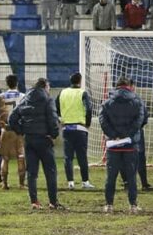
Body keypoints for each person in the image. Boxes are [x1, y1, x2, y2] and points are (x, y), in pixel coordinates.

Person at [8, 78, 64, 210]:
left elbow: (12, 118)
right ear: (45, 86)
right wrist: (54, 134)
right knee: (50, 171)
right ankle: (53, 202)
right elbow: (53, 119)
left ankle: (34, 202)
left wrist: (21, 131)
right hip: (44, 139)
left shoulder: (25, 99)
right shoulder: (47, 100)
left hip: (29, 139)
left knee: (32, 173)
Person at [98, 76, 145, 213]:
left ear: (116, 86)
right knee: (131, 176)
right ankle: (133, 205)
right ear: (129, 86)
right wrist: (128, 135)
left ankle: (109, 205)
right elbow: (140, 121)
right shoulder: (137, 102)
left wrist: (114, 135)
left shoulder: (107, 103)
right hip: (131, 145)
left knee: (111, 176)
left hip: (113, 145)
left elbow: (103, 121)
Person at [56, 72, 94, 190]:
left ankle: (70, 183)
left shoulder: (62, 93)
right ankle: (85, 182)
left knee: (68, 157)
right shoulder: (82, 93)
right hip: (80, 128)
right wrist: (87, 123)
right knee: (82, 156)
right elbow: (89, 109)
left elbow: (56, 108)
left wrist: (61, 119)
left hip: (67, 128)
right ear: (80, 81)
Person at [0, 74, 25, 190]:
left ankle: (4, 184)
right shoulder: (23, 96)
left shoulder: (1, 96)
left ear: (7, 83)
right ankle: (21, 184)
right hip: (18, 130)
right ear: (17, 83)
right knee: (21, 157)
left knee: (5, 158)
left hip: (5, 130)